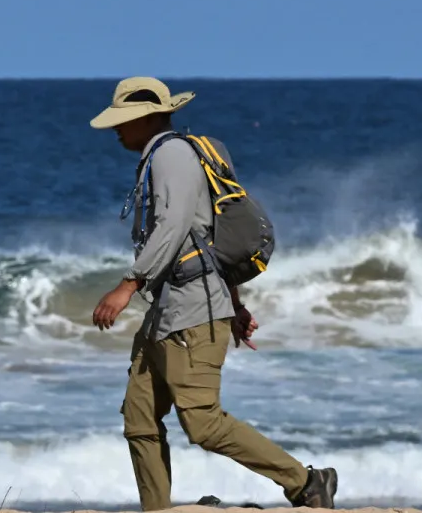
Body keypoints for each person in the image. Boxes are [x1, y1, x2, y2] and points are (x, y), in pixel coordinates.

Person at [87, 77, 338, 511]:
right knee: (140, 419)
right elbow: (209, 242)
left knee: (203, 423)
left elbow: (173, 227)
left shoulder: (171, 155)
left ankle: (306, 482)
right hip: (168, 313)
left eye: (123, 121)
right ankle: (157, 510)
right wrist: (235, 305)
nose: (116, 130)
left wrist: (128, 285)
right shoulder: (162, 156)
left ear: (148, 118)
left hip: (191, 313)